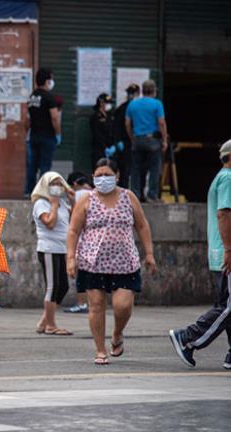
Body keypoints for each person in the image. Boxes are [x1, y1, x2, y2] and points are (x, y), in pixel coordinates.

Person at [67, 158, 156, 365]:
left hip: (124, 262)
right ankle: (100, 350)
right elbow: (73, 230)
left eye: (107, 175)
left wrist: (149, 253)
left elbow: (142, 226)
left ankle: (117, 333)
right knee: (96, 306)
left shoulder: (128, 197)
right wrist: (71, 258)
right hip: (92, 261)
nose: (102, 179)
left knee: (122, 306)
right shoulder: (86, 200)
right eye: (98, 176)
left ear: (117, 176)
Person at [169, 140, 231, 370]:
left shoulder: (221, 177)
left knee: (226, 303)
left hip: (221, 250)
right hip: (226, 252)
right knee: (228, 306)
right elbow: (224, 214)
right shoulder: (228, 179)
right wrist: (229, 249)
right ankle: (187, 337)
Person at [32, 172, 74, 335]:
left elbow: (75, 217)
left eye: (59, 182)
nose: (57, 186)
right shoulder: (41, 203)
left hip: (62, 248)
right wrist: (54, 205)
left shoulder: (63, 203)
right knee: (53, 286)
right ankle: (50, 325)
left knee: (62, 285)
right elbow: (50, 223)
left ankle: (44, 320)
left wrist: (71, 197)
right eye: (53, 183)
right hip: (48, 248)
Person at [125, 79, 169, 203]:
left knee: (136, 169)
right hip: (153, 140)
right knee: (154, 169)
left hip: (137, 140)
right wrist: (164, 139)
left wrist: (132, 137)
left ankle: (135, 196)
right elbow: (161, 122)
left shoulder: (132, 104)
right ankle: (152, 195)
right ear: (154, 91)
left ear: (142, 91)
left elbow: (127, 123)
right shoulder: (157, 104)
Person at [25, 67, 61, 194]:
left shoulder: (32, 96)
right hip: (47, 137)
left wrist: (28, 133)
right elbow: (55, 118)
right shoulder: (49, 97)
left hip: (34, 136)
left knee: (32, 166)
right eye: (51, 78)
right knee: (45, 166)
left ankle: (29, 191)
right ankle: (42, 191)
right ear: (47, 81)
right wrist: (58, 134)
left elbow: (27, 119)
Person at [63, 171, 93, 313]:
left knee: (81, 275)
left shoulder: (79, 195)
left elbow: (75, 218)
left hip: (81, 240)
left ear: (74, 184)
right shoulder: (95, 193)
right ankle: (91, 303)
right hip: (93, 240)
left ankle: (82, 303)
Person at [113, 84, 140, 189]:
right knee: (125, 167)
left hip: (136, 140)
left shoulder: (138, 107)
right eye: (130, 93)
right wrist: (118, 140)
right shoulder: (123, 108)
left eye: (133, 93)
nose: (131, 95)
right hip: (126, 141)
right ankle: (123, 189)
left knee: (135, 168)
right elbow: (116, 125)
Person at [90, 93, 114, 169]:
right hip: (99, 148)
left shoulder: (110, 115)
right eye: (107, 103)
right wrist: (104, 147)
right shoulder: (95, 116)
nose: (108, 105)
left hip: (110, 146)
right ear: (101, 103)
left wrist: (113, 145)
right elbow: (97, 133)